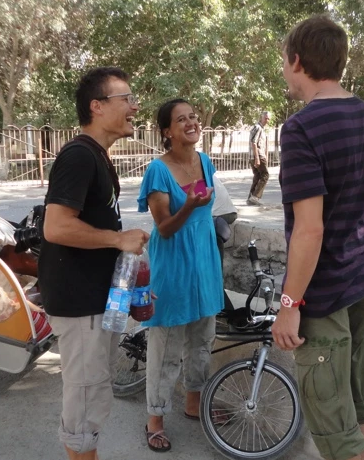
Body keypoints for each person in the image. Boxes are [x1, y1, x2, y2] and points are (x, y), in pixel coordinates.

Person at [270, 15, 364, 460]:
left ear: (297, 61)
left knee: (330, 412)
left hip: (321, 294)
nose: (285, 71)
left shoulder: (301, 129)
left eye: (285, 62)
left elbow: (310, 228)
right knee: (359, 395)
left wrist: (289, 306)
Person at [38, 67, 150, 460]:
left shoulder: (97, 157)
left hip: (96, 300)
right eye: (127, 98)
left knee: (93, 394)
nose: (135, 106)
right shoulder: (79, 156)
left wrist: (122, 248)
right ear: (97, 107)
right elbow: (56, 226)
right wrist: (118, 239)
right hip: (80, 303)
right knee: (85, 404)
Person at [137, 98, 224, 453]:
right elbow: (165, 228)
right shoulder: (158, 171)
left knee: (201, 341)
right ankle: (154, 419)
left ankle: (193, 403)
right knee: (167, 349)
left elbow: (216, 212)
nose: (190, 122)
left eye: (193, 117)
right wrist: (189, 204)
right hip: (173, 266)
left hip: (204, 265)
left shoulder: (205, 162)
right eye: (181, 119)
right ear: (167, 132)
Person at [247, 111, 270, 206]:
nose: (267, 120)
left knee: (257, 176)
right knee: (265, 175)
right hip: (258, 155)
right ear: (261, 118)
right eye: (266, 118)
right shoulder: (258, 128)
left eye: (268, 119)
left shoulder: (260, 128)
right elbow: (254, 142)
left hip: (254, 156)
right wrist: (257, 158)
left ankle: (251, 197)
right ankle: (255, 197)